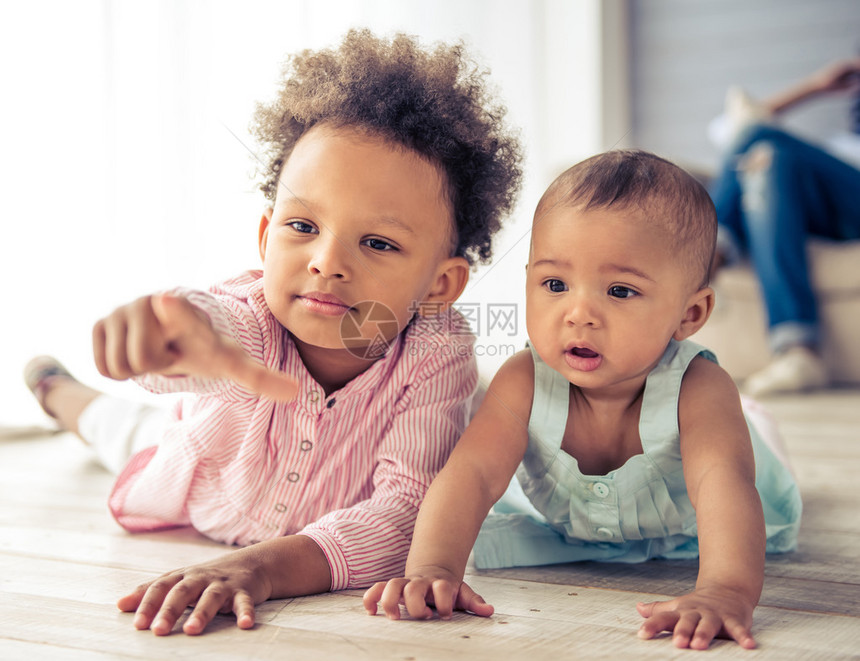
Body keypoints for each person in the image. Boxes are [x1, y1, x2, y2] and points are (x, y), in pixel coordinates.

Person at [23, 29, 522, 636]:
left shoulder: (437, 351)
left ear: (441, 285)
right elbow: (211, 327)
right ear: (266, 237)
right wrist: (171, 338)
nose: (327, 262)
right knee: (116, 428)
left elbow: (405, 516)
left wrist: (262, 568)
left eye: (378, 242)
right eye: (302, 224)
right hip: (203, 472)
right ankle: (55, 388)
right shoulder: (250, 315)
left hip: (296, 529)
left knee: (122, 427)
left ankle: (61, 392)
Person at [363, 150, 801, 651]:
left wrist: (725, 590)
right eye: (554, 284)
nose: (578, 314)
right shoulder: (523, 380)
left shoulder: (698, 389)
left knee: (742, 440)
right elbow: (473, 473)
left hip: (695, 516)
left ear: (689, 313)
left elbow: (721, 482)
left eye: (619, 290)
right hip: (579, 526)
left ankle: (755, 422)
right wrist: (433, 569)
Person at [707, 56, 860, 396]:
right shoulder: (835, 147)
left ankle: (706, 253)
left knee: (756, 132)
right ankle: (799, 351)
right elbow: (726, 133)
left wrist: (754, 123)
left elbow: (742, 127)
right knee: (767, 157)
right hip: (825, 218)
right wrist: (816, 86)